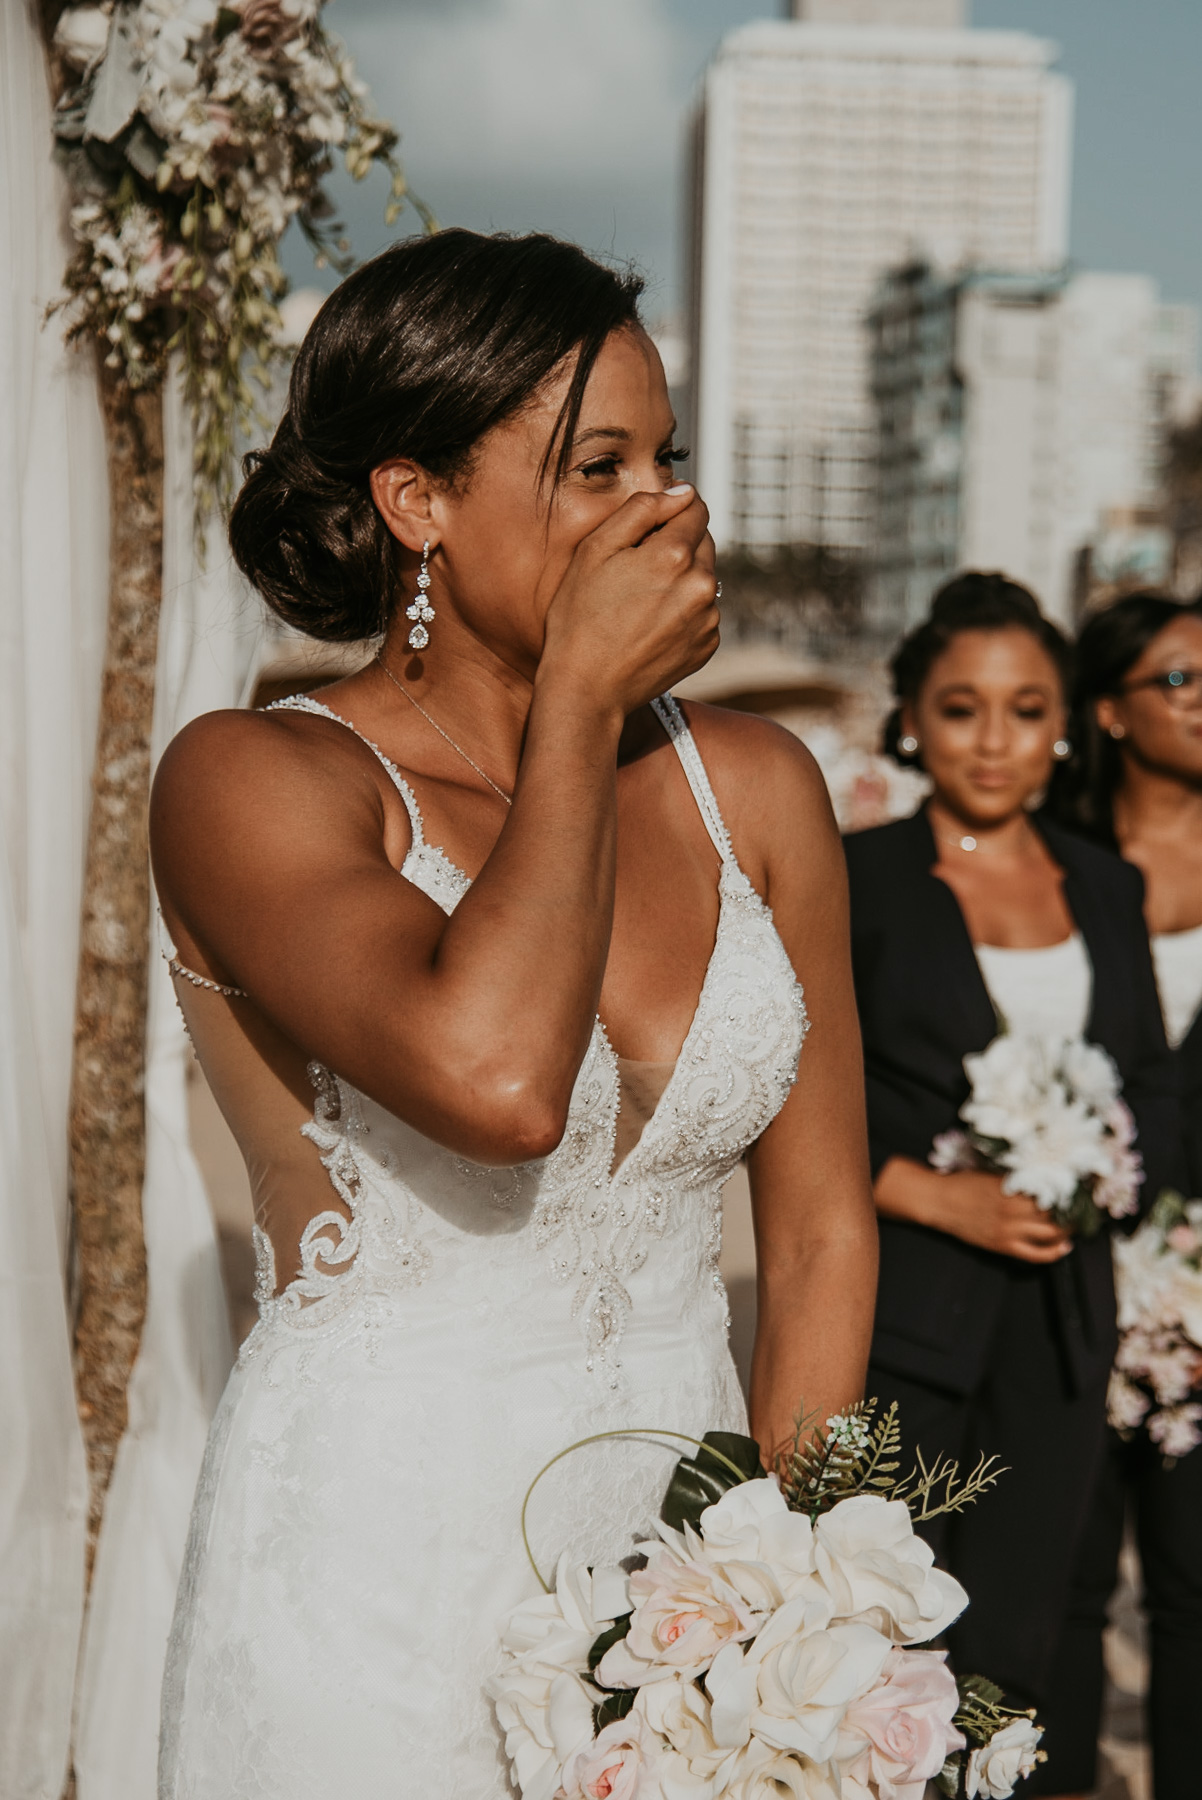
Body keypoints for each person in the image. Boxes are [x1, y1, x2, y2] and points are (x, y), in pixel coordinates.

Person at [149, 230, 879, 1799]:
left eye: (666, 457)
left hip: (682, 1562)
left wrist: (790, 1607)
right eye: (594, 463)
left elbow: (820, 1235)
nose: (663, 507)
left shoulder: (754, 788)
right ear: (417, 504)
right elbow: (495, 1079)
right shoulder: (253, 781)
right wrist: (577, 717)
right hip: (371, 1579)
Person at [842, 573, 1178, 1800]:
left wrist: (1102, 1171)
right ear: (911, 722)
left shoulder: (1103, 884)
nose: (994, 741)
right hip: (904, 1321)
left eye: (1024, 709)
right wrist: (923, 1193)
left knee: (1023, 1643)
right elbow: (799, 1083)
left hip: (1063, 1325)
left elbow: (1146, 1079)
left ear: (1063, 725)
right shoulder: (855, 876)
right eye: (962, 709)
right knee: (890, 1640)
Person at [1043, 590, 1202, 1800]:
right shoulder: (1048, 866)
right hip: (1064, 1286)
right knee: (1066, 1587)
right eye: (1178, 680)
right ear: (1106, 709)